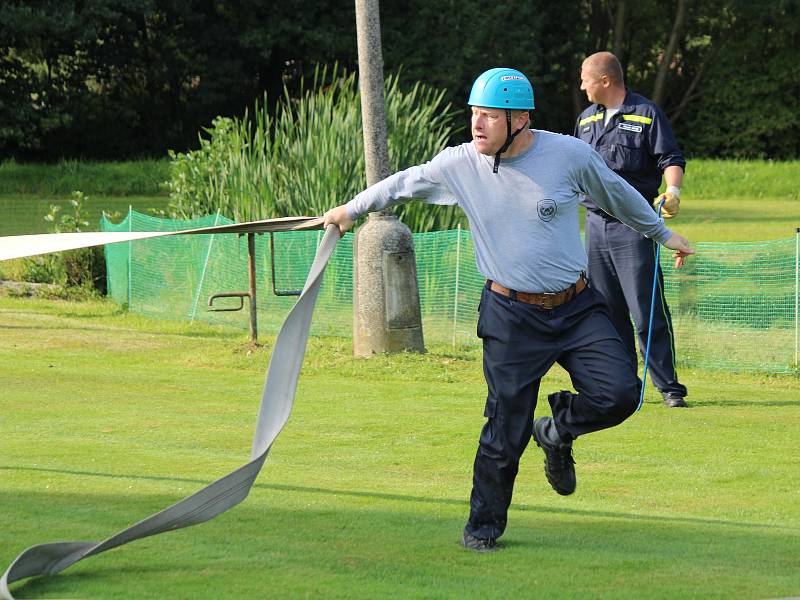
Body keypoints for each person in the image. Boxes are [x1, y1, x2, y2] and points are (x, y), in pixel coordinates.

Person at [323, 67, 693, 552]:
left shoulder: (569, 154)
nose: (476, 125)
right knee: (505, 430)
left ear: (519, 120)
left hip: (577, 307)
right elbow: (401, 184)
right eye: (474, 114)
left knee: (622, 393)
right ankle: (483, 527)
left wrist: (663, 233)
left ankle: (557, 429)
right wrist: (349, 212)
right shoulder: (461, 164)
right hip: (510, 316)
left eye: (488, 117)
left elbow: (617, 193)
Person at [575, 51, 689, 408]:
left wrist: (673, 192)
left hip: (634, 227)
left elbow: (670, 159)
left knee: (645, 310)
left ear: (605, 80)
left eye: (585, 78)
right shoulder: (585, 120)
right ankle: (625, 386)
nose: (581, 85)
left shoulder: (646, 113)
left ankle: (668, 387)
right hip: (594, 227)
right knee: (607, 312)